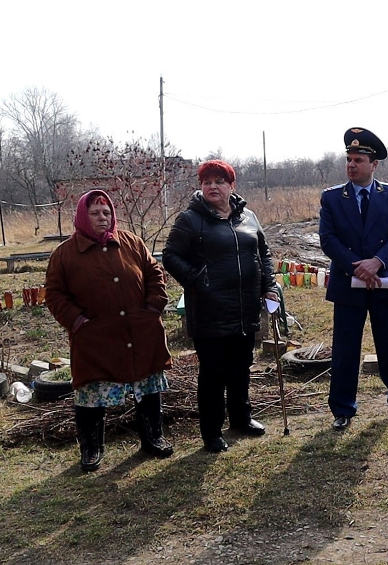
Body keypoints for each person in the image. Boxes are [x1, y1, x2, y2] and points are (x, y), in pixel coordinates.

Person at [46, 190, 173, 471]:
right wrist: (77, 322)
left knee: (148, 387)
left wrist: (154, 307)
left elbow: (155, 273)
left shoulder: (131, 242)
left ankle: (153, 438)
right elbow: (54, 295)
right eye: (94, 213)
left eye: (106, 213)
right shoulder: (65, 254)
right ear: (82, 216)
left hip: (140, 331)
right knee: (92, 393)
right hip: (95, 338)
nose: (102, 218)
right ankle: (92, 448)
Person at [163, 160, 279, 453]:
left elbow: (262, 252)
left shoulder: (248, 217)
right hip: (210, 310)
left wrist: (269, 285)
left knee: (241, 367)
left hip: (245, 308)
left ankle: (242, 419)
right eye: (207, 182)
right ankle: (211, 432)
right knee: (213, 373)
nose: (212, 186)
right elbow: (171, 256)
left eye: (219, 181)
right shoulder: (191, 219)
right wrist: (196, 279)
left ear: (232, 186)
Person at [319, 127, 388, 431]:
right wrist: (355, 266)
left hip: (382, 281)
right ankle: (343, 409)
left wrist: (376, 262)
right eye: (349, 159)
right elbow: (328, 239)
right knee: (346, 348)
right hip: (348, 284)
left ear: (373, 165)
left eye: (358, 160)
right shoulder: (333, 198)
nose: (351, 165)